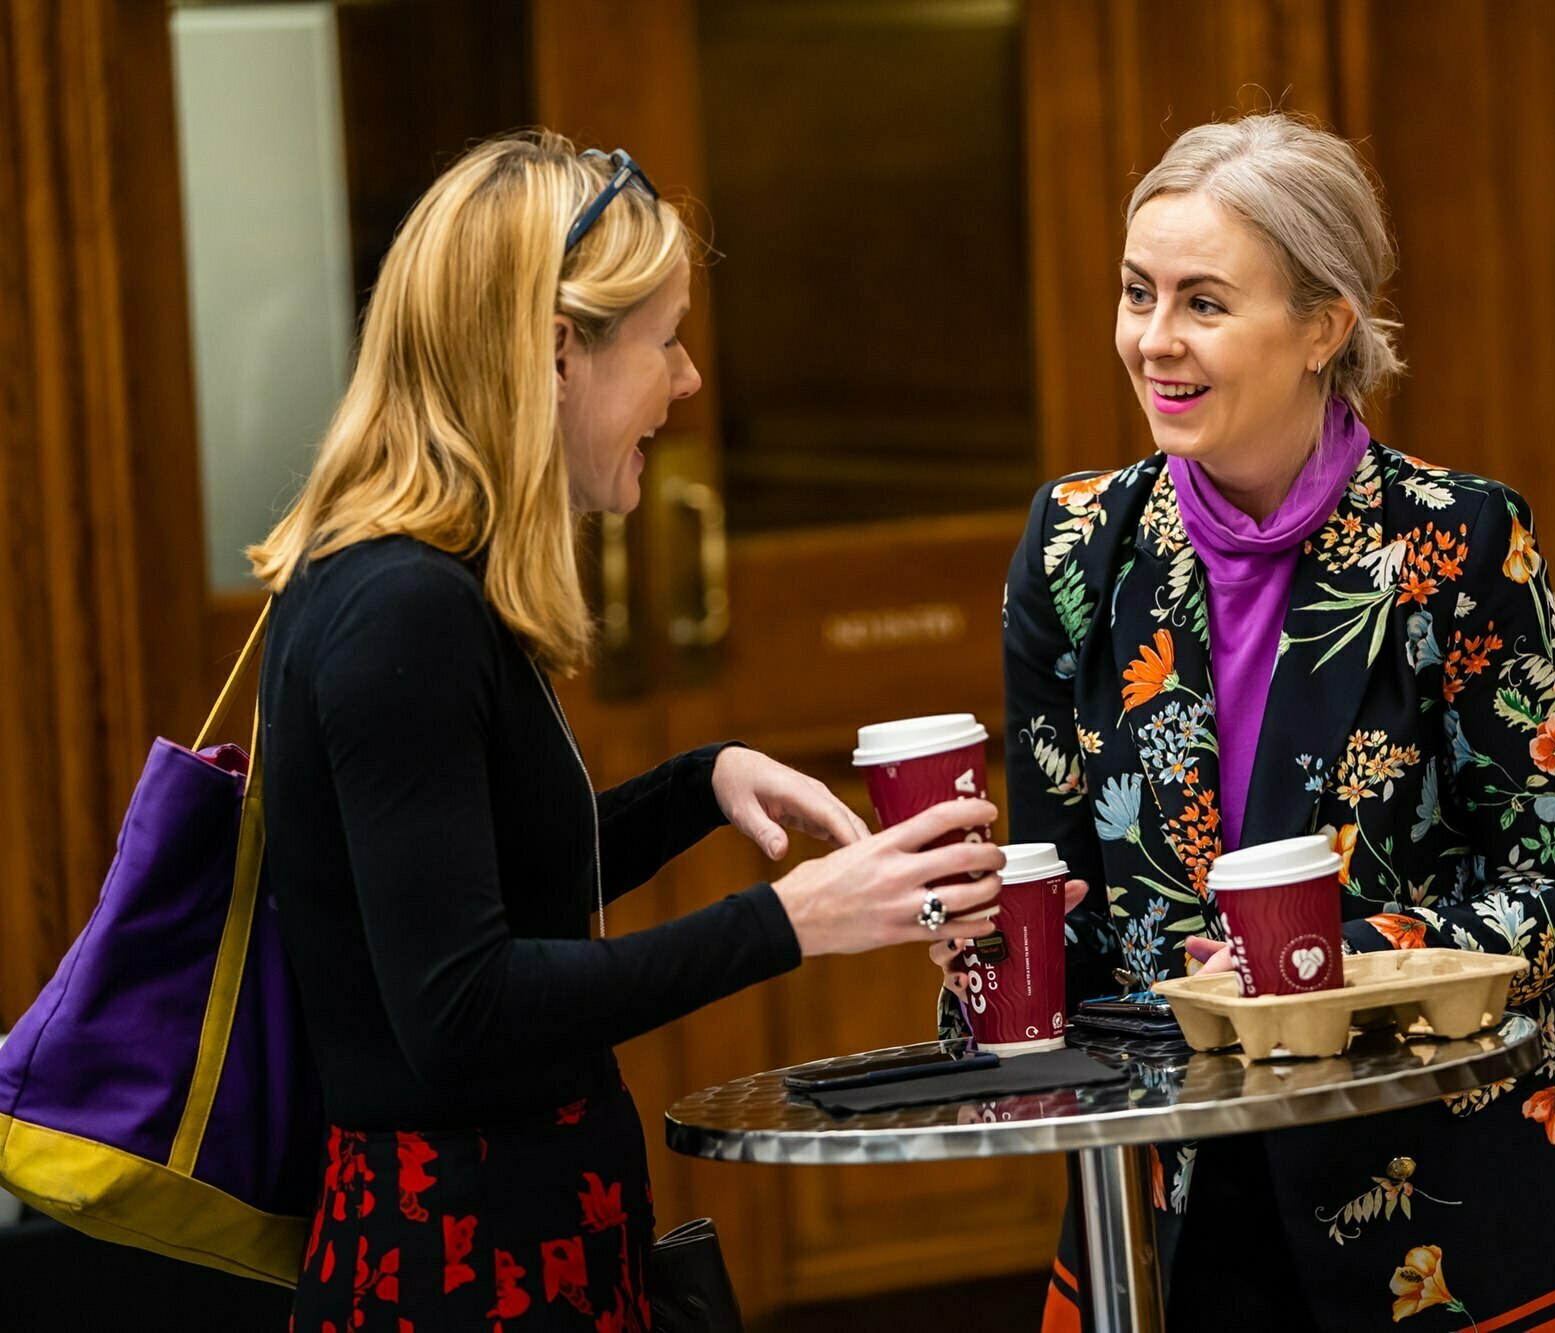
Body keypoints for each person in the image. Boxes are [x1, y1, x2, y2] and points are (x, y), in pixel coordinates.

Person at [251, 130, 1004, 1331]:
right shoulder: (402, 606)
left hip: (511, 1240)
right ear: (557, 353)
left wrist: (702, 784)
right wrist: (788, 922)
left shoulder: (425, 587)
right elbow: (460, 1008)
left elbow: (485, 884)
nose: (690, 380)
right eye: (664, 340)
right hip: (465, 1277)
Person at [936, 112, 1555, 1330]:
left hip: (1455, 1225)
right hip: (1167, 1223)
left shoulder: (1457, 544)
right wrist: (982, 953)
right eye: (1135, 292)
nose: (1153, 340)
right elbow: (1065, 916)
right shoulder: (1070, 552)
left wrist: (1335, 964)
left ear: (1324, 327)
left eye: (1203, 302)